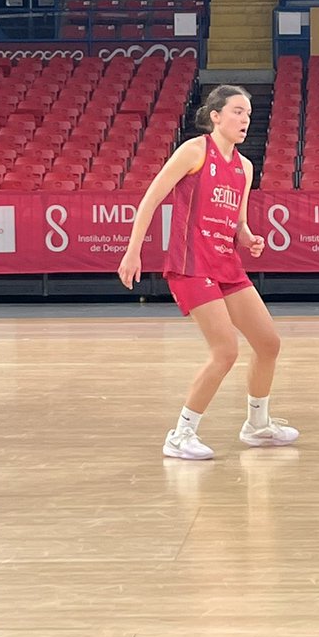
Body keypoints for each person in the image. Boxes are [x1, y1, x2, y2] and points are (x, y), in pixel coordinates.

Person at [117, 84, 298, 460]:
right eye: (236, 111)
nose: (244, 119)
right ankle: (180, 434)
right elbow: (151, 198)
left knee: (268, 343)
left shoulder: (245, 167)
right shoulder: (194, 151)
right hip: (191, 264)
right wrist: (132, 251)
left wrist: (248, 238)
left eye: (248, 114)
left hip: (226, 264)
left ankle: (257, 424)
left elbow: (239, 222)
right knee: (225, 351)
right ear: (215, 116)